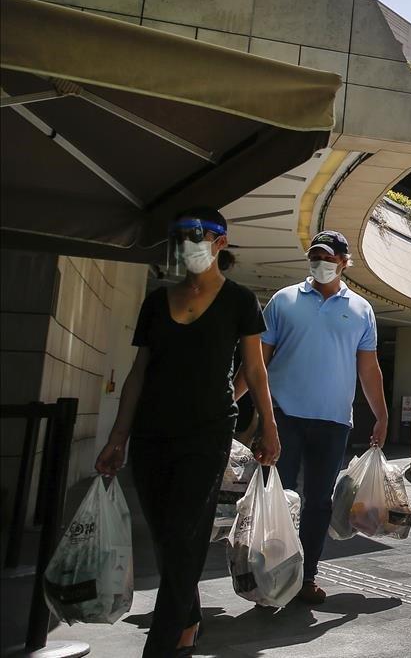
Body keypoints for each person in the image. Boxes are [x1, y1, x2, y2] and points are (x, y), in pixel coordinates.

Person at [95, 207, 279, 658]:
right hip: (152, 431)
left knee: (184, 530)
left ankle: (162, 643)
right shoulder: (156, 302)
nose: (187, 245)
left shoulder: (240, 301)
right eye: (179, 237)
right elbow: (139, 371)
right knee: (164, 533)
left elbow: (255, 370)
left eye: (197, 236)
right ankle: (189, 617)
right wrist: (118, 436)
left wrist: (268, 429)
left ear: (220, 243)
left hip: (208, 430)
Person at [236, 230, 388, 605]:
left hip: (334, 420)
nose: (319, 263)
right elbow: (259, 360)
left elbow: (368, 368)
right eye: (314, 256)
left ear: (343, 262)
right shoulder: (283, 301)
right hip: (283, 417)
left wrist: (382, 415)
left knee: (318, 501)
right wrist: (228, 400)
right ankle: (271, 576)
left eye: (327, 257)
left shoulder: (360, 309)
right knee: (279, 497)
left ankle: (306, 577)